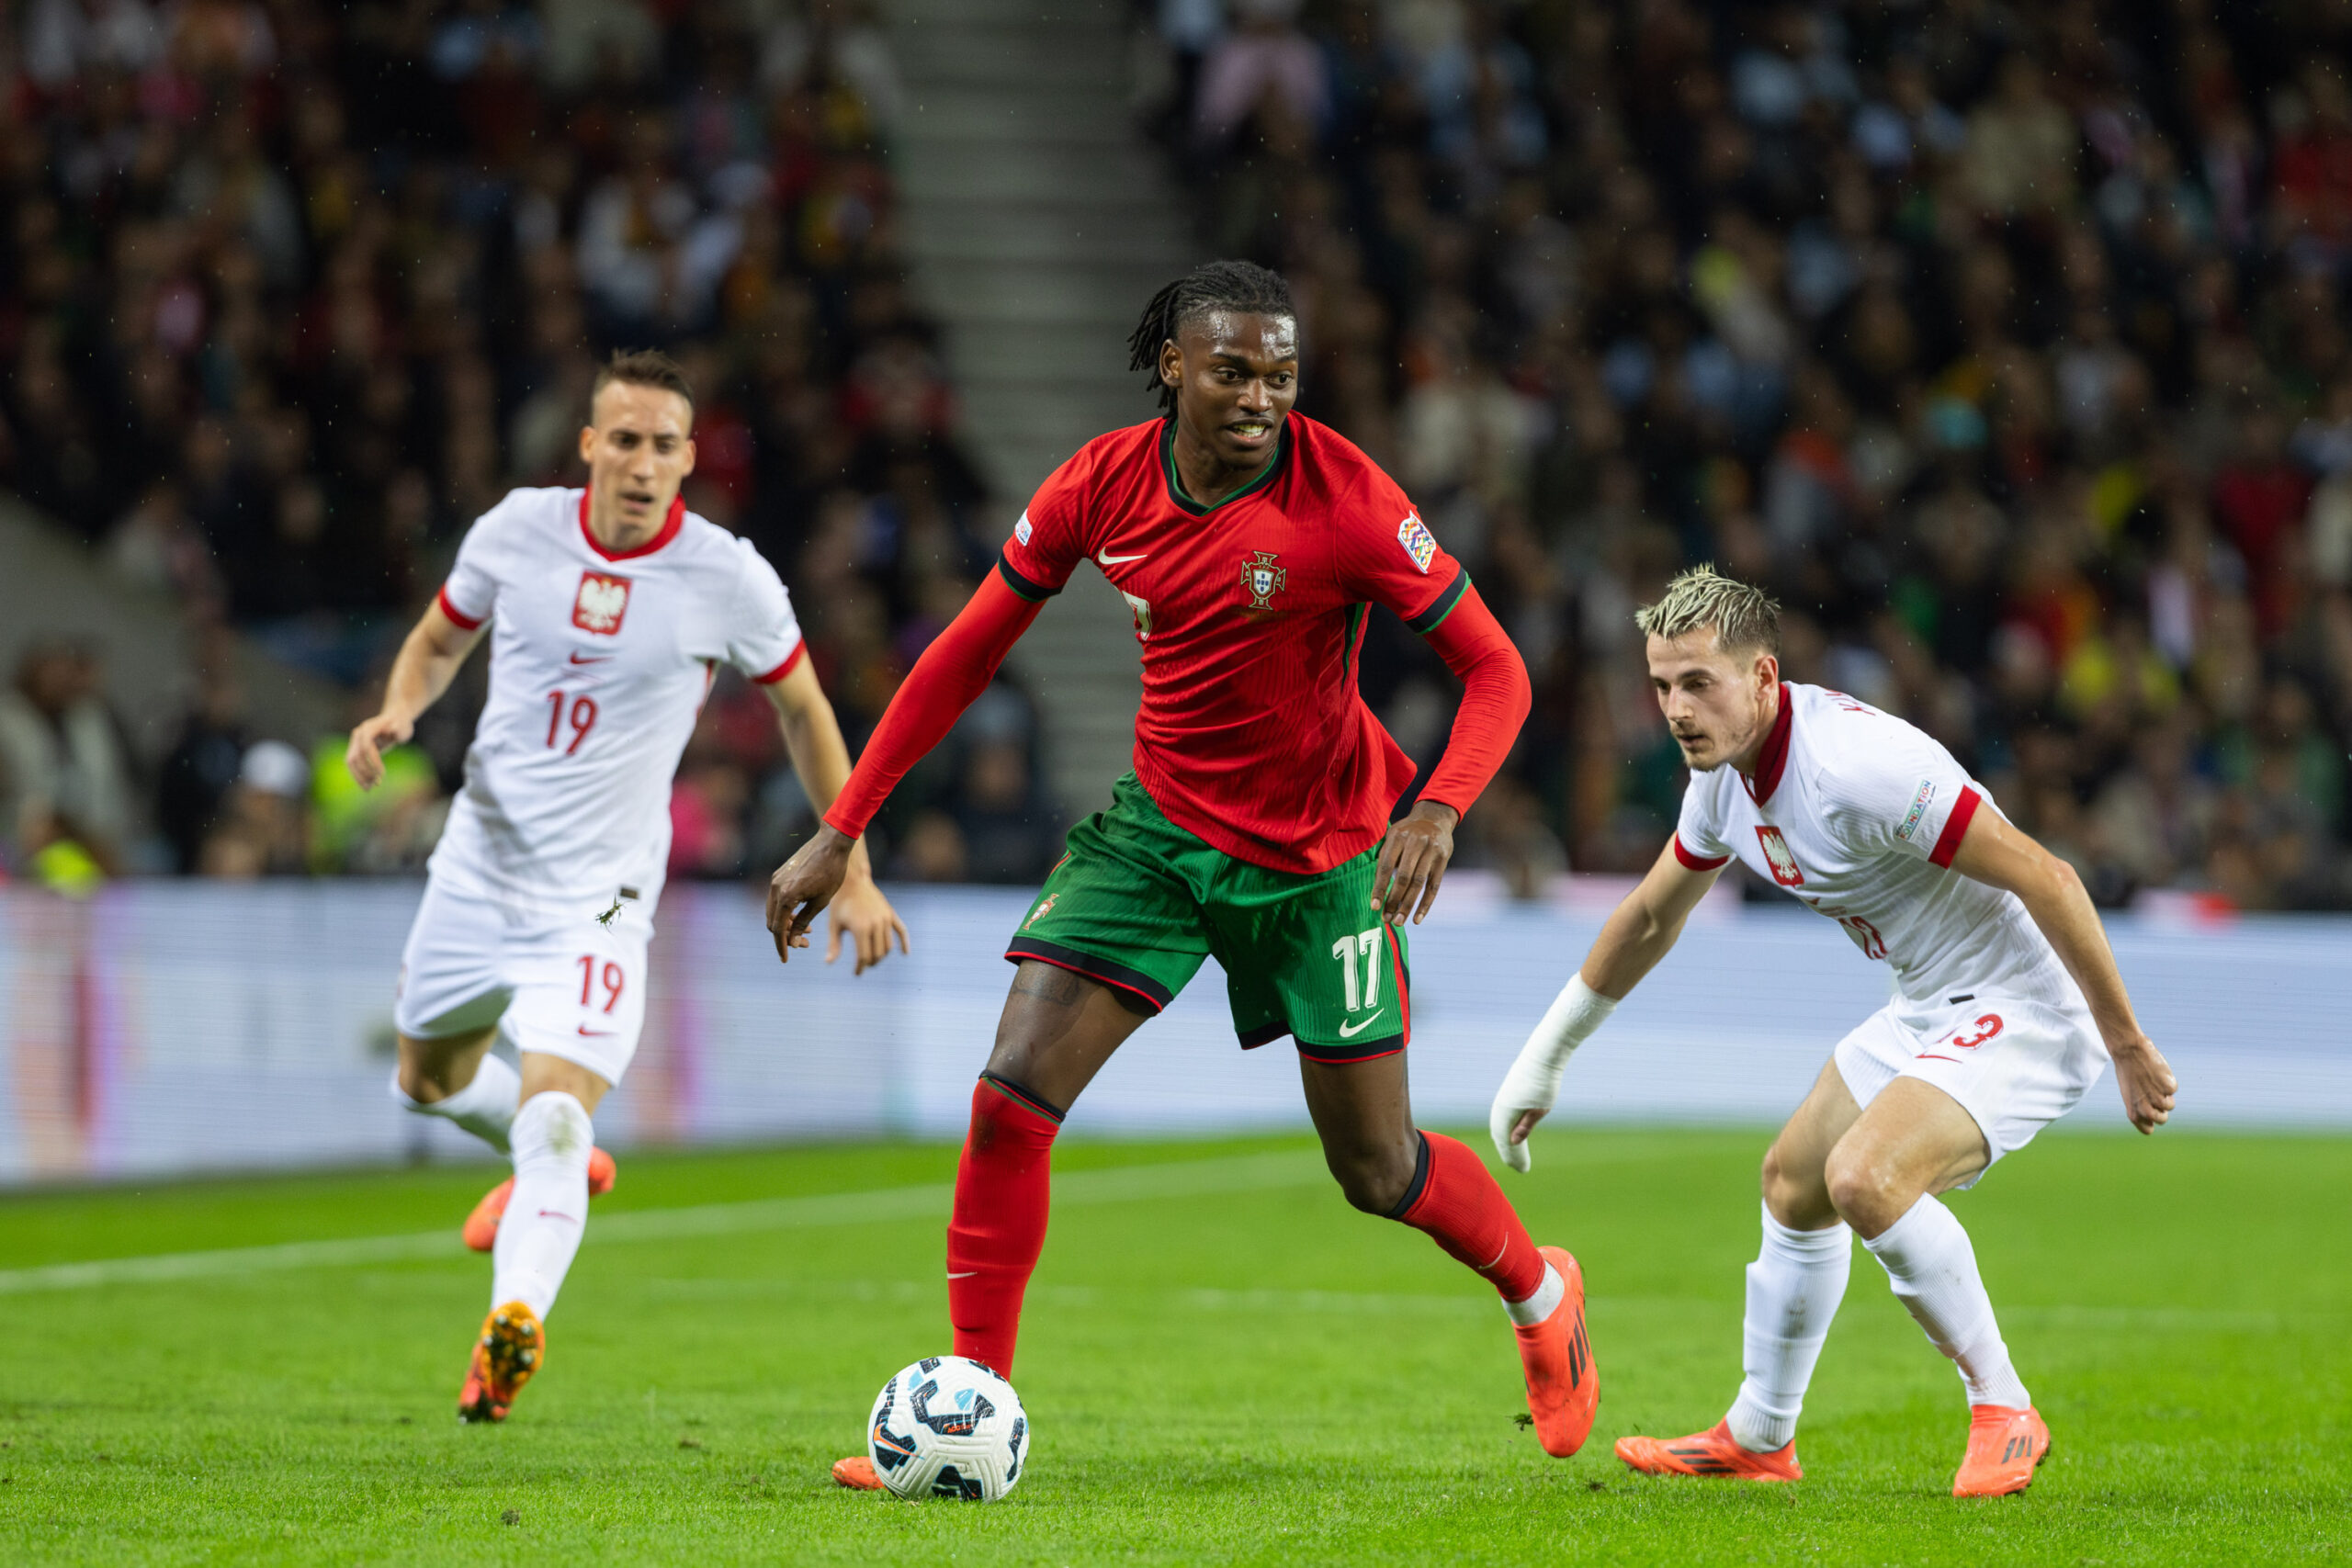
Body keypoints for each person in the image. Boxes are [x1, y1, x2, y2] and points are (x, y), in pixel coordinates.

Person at [765, 261, 1594, 1491]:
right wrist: (844, 824)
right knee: (1009, 1098)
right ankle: (969, 1403)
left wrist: (1438, 807)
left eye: (1281, 370)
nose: (1264, 394)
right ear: (1174, 365)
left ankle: (1539, 1287)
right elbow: (964, 651)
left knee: (1377, 1170)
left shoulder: (1351, 498)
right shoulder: (1100, 482)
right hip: (1156, 838)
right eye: (1236, 368)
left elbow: (1498, 669)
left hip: (1324, 863)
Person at [1487, 566, 2179, 1497]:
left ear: (1765, 680)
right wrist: (1545, 1059)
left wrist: (2126, 1043)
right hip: (1928, 1000)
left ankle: (2005, 1404)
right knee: (1792, 1181)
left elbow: (2048, 877)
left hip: (2026, 1005)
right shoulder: (1725, 784)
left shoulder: (1855, 768)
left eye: (1699, 683)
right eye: (1661, 686)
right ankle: (1760, 1437)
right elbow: (1650, 918)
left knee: (1864, 1176)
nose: (1677, 710)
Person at [345, 349, 908, 1424]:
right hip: (478, 867)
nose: (644, 463)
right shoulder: (515, 531)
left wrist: (854, 862)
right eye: (626, 439)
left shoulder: (727, 576)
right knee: (422, 1082)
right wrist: (399, 711)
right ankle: (547, 1159)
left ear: (689, 459)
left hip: (602, 896)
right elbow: (434, 640)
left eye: (665, 445)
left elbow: (805, 710)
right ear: (589, 445)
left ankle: (509, 1329)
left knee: (557, 1116)